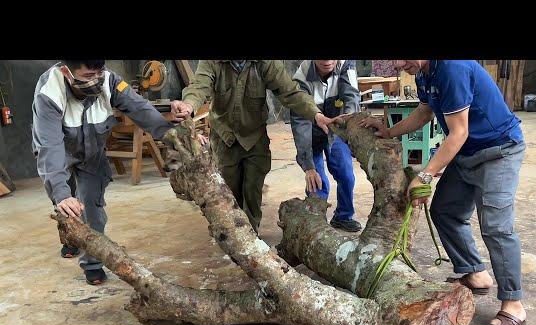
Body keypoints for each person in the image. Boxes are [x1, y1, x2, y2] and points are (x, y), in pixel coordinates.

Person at [360, 60, 527, 325]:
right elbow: (424, 112)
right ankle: (475, 273)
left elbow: (458, 132)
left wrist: (425, 176)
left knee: (497, 227)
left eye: (402, 58)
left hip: (498, 151)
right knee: (445, 212)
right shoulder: (426, 72)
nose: (400, 65)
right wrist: (389, 132)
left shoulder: (453, 67)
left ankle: (514, 306)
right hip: (467, 152)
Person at [33, 59, 177, 285]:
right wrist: (60, 193)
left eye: (99, 73)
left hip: (92, 155)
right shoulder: (49, 92)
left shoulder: (109, 80)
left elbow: (140, 109)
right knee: (64, 203)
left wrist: (174, 138)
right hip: (59, 151)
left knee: (92, 207)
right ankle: (70, 239)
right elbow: (50, 146)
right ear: (66, 72)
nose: (96, 80)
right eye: (89, 76)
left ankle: (93, 263)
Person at [170, 60, 334, 233]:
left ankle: (250, 235)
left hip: (255, 136)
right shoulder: (213, 62)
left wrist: (315, 114)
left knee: (252, 190)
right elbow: (199, 86)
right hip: (225, 137)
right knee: (229, 191)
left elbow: (290, 92)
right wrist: (188, 105)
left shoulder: (265, 63)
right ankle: (232, 232)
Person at [290, 60, 362, 232]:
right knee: (317, 182)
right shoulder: (300, 79)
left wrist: (349, 121)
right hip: (311, 130)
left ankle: (343, 216)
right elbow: (301, 124)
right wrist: (308, 166)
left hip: (337, 126)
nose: (327, 61)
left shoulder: (346, 65)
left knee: (346, 174)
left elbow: (352, 95)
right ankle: (317, 222)